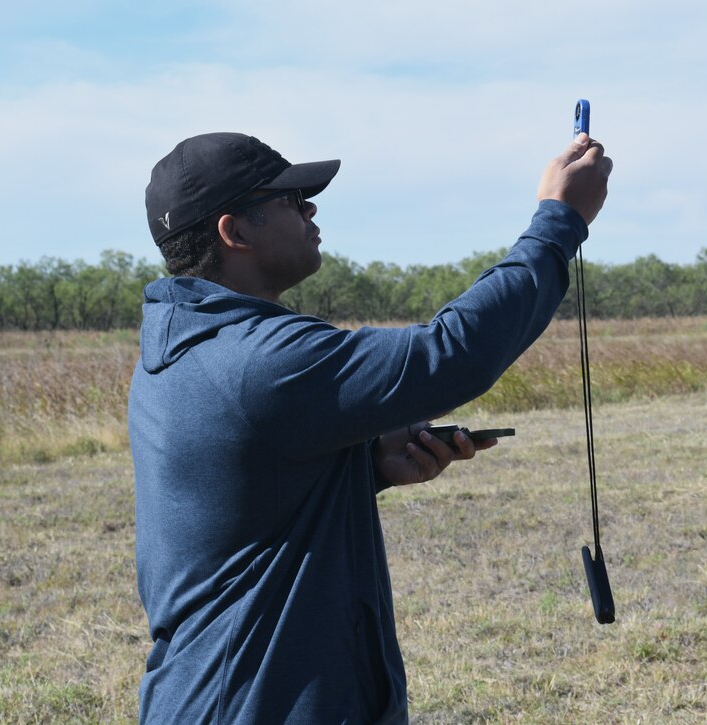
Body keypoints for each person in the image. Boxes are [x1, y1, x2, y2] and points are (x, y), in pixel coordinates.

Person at [129, 130, 612, 723]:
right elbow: (450, 354)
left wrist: (364, 465)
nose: (310, 209)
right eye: (290, 200)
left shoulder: (185, 348)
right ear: (234, 232)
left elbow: (242, 487)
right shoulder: (262, 360)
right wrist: (559, 221)